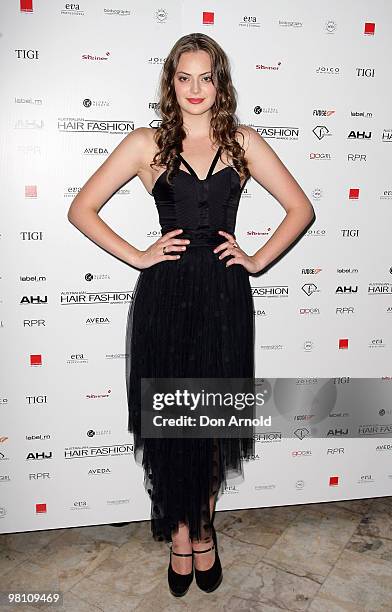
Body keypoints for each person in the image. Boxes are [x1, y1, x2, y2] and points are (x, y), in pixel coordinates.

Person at [67, 32, 314, 597]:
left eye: (207, 76)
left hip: (224, 298)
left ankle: (204, 531)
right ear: (170, 82)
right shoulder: (145, 144)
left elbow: (300, 207)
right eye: (185, 76)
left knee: (209, 425)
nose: (196, 88)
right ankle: (180, 536)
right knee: (171, 425)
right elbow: (82, 208)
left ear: (219, 81)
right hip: (167, 297)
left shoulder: (243, 142)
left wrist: (254, 260)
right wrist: (139, 254)